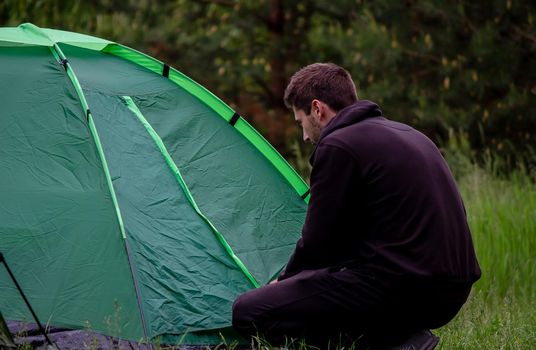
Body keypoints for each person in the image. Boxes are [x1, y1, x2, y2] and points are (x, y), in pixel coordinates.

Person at [232, 63, 481, 349]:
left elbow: (318, 245)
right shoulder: (411, 135)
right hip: (452, 291)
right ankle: (402, 337)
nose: (304, 137)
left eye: (301, 122)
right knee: (329, 285)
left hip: (404, 290)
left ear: (317, 109)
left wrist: (284, 281)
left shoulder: (338, 145)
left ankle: (392, 340)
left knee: (248, 311)